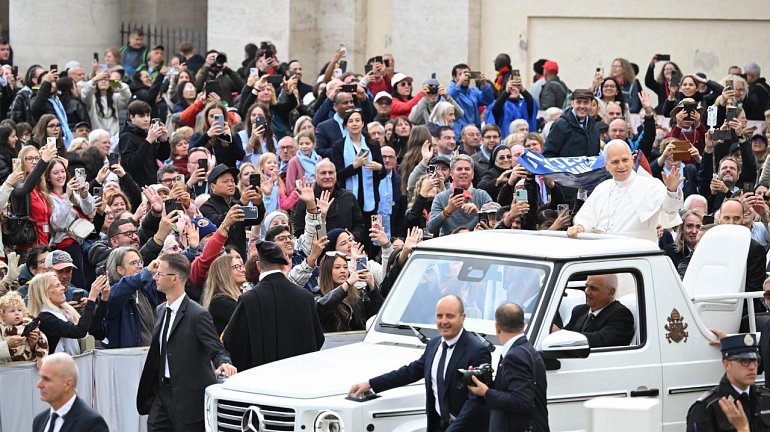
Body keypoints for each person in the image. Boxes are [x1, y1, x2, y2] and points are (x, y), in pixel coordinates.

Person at [348, 295, 490, 431]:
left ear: (462, 318)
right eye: (439, 316)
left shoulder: (477, 351)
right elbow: (411, 371)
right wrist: (371, 384)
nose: (444, 321)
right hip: (437, 426)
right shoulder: (434, 344)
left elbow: (475, 403)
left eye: (450, 316)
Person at [136, 253, 237, 432]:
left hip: (188, 398)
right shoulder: (160, 310)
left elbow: (216, 348)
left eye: (160, 274)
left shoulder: (197, 314)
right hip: (161, 394)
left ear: (175, 278)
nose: (155, 277)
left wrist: (224, 363)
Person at [223, 241, 325, 371]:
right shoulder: (305, 297)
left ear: (259, 266)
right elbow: (318, 338)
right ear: (284, 266)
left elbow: (233, 342)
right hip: (299, 378)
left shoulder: (249, 300)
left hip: (262, 381)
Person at [567, 140, 683, 243]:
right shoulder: (602, 188)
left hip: (635, 257)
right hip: (601, 253)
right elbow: (586, 219)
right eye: (615, 162)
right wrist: (580, 226)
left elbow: (670, 209)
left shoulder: (651, 185)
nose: (621, 166)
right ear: (606, 165)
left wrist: (671, 190)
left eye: (625, 160)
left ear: (632, 160)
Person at [466, 303, 548, 432]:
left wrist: (487, 392)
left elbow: (522, 401)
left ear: (497, 327)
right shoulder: (527, 350)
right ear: (523, 325)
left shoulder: (514, 356)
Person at [686, 334, 770, 432]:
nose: (752, 367)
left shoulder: (766, 398)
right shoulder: (707, 407)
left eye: (755, 360)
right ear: (726, 364)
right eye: (744, 361)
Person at [28, 272, 109, 355]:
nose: (63, 288)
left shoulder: (65, 312)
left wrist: (103, 299)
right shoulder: (44, 318)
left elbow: (94, 330)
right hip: (58, 366)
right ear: (45, 293)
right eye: (57, 286)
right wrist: (91, 298)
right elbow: (79, 331)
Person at [33, 352, 109, 432]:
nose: (39, 385)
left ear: (67, 384)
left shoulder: (91, 422)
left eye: (46, 379)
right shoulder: (39, 421)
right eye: (40, 378)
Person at [556, 274, 634, 348]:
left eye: (593, 288)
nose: (587, 292)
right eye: (586, 286)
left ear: (611, 292)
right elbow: (565, 333)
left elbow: (600, 340)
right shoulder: (579, 311)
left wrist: (562, 335)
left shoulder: (621, 314)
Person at [427, 154, 493, 236]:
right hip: (448, 243)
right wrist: (447, 210)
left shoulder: (482, 195)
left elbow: (495, 223)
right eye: (459, 169)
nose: (463, 172)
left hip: (476, 242)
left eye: (467, 169)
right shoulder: (441, 197)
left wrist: (478, 213)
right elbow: (431, 228)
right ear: (451, 174)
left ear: (472, 174)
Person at [119, 100, 171, 188]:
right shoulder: (126, 137)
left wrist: (164, 141)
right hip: (134, 188)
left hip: (151, 185)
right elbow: (129, 165)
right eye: (141, 116)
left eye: (148, 115)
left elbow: (163, 156)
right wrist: (148, 141)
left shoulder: (147, 134)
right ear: (132, 117)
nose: (146, 119)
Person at [0, 291, 48, 365]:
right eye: (12, 311)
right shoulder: (1, 328)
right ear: (3, 316)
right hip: (6, 369)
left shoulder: (28, 324)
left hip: (27, 366)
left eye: (19, 310)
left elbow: (43, 341)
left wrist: (40, 355)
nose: (17, 313)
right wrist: (7, 344)